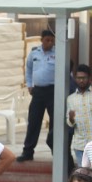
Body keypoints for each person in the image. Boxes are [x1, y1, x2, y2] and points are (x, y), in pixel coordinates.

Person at [17, 29, 56, 162]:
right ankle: (28, 151)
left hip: (53, 91)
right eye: (47, 40)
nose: (49, 43)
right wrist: (29, 84)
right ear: (42, 40)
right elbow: (28, 69)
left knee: (54, 122)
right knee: (34, 121)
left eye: (52, 40)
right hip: (38, 91)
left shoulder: (58, 53)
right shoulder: (34, 52)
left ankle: (56, 151)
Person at [65, 65, 92, 168]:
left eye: (84, 78)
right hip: (80, 145)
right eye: (78, 78)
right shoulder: (71, 99)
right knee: (84, 175)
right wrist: (71, 119)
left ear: (90, 79)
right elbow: (69, 123)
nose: (81, 81)